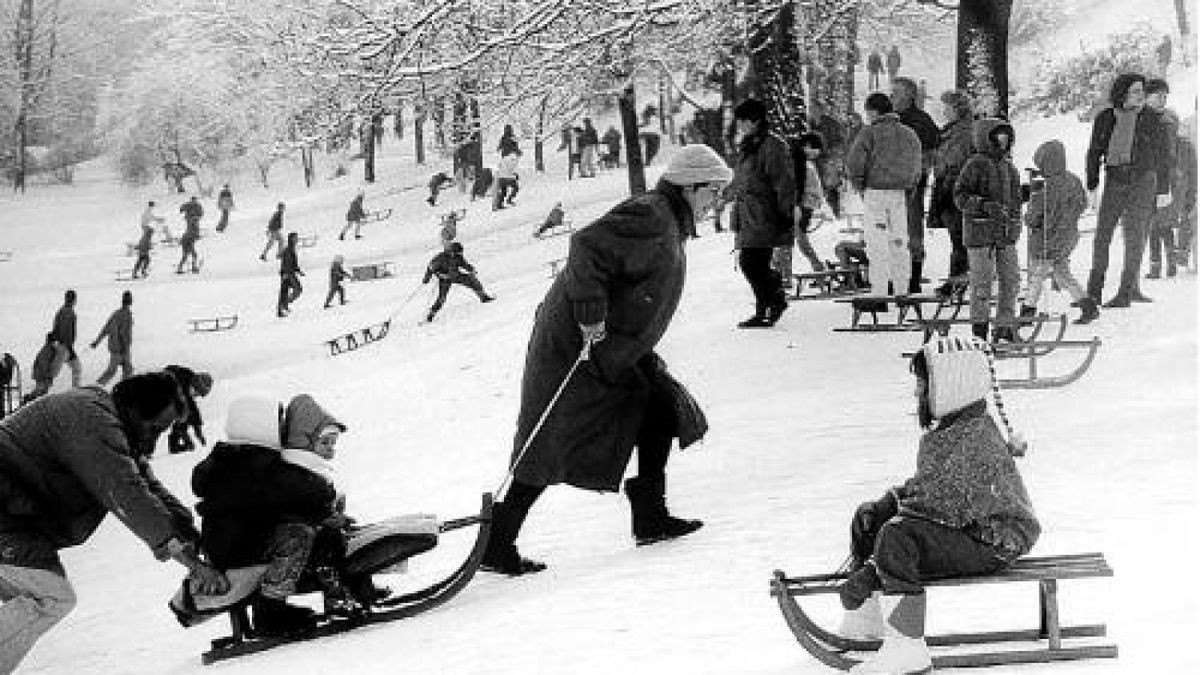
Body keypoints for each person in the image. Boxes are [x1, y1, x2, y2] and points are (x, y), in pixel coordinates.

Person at [481, 144, 731, 577]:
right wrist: (591, 316)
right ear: (692, 187)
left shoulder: (669, 220)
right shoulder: (652, 215)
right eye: (714, 192)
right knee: (552, 435)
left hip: (615, 345)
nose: (716, 202)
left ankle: (650, 515)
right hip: (577, 342)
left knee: (661, 408)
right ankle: (497, 543)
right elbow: (587, 248)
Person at [834, 336, 1038, 674]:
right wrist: (887, 503)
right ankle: (868, 620)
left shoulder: (973, 438)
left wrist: (871, 572)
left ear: (949, 387)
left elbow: (942, 508)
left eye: (923, 385)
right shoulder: (956, 427)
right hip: (970, 529)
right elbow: (933, 489)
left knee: (897, 536)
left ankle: (907, 646)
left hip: (991, 541)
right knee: (874, 518)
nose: (917, 393)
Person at [0, 373, 230, 673]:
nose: (155, 438)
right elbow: (128, 495)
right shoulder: (89, 421)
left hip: (13, 516)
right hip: (7, 514)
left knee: (42, 594)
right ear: (137, 410)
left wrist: (192, 534)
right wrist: (193, 564)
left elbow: (148, 487)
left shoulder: (109, 420)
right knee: (49, 596)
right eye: (156, 427)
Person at [189, 393, 374, 634]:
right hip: (240, 547)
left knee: (306, 528)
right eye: (279, 423)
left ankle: (343, 588)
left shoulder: (229, 460)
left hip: (230, 543)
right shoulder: (255, 463)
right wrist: (325, 497)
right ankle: (270, 610)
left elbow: (278, 500)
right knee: (298, 535)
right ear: (260, 426)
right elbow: (299, 489)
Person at [1084, 73, 1173, 308]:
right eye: (1135, 90)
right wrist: (1092, 184)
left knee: (1135, 238)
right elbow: (1094, 151)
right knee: (1103, 235)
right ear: (1122, 92)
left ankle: (1126, 292)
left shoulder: (1152, 119)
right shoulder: (1105, 118)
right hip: (1115, 179)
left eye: (1142, 91)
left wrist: (1164, 189)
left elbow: (1164, 157)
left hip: (1144, 181)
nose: (1141, 95)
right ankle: (1094, 292)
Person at [845, 93, 923, 298]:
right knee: (899, 242)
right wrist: (910, 188)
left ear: (873, 111)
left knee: (876, 244)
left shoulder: (869, 133)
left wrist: (860, 187)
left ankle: (879, 292)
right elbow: (917, 166)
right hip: (900, 194)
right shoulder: (910, 134)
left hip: (875, 193)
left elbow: (855, 164)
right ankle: (902, 290)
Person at [729, 98, 798, 328]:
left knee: (752, 261)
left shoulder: (772, 145)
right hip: (749, 213)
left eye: (743, 120)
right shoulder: (749, 145)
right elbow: (742, 178)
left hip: (765, 212)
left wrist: (785, 212)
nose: (740, 125)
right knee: (751, 261)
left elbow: (783, 181)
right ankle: (765, 306)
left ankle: (772, 300)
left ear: (755, 120)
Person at [954, 118, 1024, 342]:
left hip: (1005, 235)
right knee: (981, 284)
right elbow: (960, 196)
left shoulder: (1009, 167)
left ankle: (1005, 325)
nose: (1003, 142)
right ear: (987, 139)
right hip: (979, 234)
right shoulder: (975, 164)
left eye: (1006, 138)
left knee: (1011, 280)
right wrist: (982, 205)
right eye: (998, 138)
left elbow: (1014, 202)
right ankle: (979, 332)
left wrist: (1016, 221)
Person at [1019, 140, 1099, 324]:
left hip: (1046, 239)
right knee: (1062, 273)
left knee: (1037, 276)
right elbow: (1082, 203)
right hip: (1067, 238)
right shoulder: (1073, 179)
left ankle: (1026, 313)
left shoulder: (1042, 186)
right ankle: (1087, 305)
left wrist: (1030, 219)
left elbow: (1033, 216)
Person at [892, 77, 941, 293]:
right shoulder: (890, 120)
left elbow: (930, 153)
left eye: (897, 92)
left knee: (911, 229)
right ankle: (896, 274)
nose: (892, 96)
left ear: (909, 95)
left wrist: (915, 174)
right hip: (890, 185)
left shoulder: (921, 121)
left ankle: (913, 275)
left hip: (912, 184)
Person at [928, 90, 977, 298]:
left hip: (955, 188)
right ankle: (957, 279)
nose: (944, 110)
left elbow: (954, 160)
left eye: (947, 106)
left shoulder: (963, 132)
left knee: (960, 239)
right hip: (948, 188)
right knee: (957, 238)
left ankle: (957, 281)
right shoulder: (952, 131)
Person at [1143, 79, 1180, 279]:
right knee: (1159, 224)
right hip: (1157, 177)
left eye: (1165, 96)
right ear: (1147, 96)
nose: (1163, 100)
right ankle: (1165, 264)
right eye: (1159, 96)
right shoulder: (1148, 118)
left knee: (1157, 224)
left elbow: (1167, 154)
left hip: (1161, 177)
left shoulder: (1165, 120)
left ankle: (1159, 266)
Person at [421, 242, 495, 323]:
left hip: (456, 275)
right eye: (457, 253)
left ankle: (483, 297)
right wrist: (426, 279)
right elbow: (430, 268)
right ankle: (431, 314)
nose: (459, 254)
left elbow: (464, 264)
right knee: (442, 298)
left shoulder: (458, 257)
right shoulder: (441, 257)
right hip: (445, 279)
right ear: (452, 251)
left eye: (460, 253)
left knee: (472, 280)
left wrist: (471, 269)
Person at [163, 365, 213, 454]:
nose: (196, 396)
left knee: (185, 411)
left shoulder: (187, 386)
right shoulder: (176, 384)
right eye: (197, 393)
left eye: (198, 395)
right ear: (194, 385)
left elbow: (192, 409)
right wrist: (184, 434)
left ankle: (174, 444)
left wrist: (198, 431)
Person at [90, 291, 135, 386]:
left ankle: (99, 386)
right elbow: (123, 333)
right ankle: (97, 386)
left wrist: (97, 342)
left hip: (115, 348)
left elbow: (106, 329)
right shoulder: (127, 315)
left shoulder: (116, 313)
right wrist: (125, 348)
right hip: (121, 349)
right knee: (115, 371)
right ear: (130, 301)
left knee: (126, 370)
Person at [48, 290, 82, 389]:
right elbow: (65, 331)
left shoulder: (62, 310)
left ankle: (75, 392)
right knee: (53, 374)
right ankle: (37, 394)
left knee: (77, 368)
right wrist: (67, 346)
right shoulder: (69, 312)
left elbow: (56, 328)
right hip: (63, 347)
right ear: (74, 300)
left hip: (63, 346)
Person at [22, 334, 58, 404]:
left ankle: (35, 401)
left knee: (43, 389)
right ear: (52, 341)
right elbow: (43, 363)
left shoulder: (50, 349)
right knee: (40, 389)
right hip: (41, 374)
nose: (56, 343)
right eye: (55, 342)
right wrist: (47, 375)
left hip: (41, 373)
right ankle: (28, 400)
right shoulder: (47, 350)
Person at [277, 232, 304, 318]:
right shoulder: (288, 249)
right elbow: (287, 263)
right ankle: (283, 307)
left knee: (285, 291)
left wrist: (298, 271)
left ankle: (283, 307)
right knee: (297, 289)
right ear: (291, 239)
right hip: (288, 273)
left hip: (288, 273)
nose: (297, 239)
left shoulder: (291, 248)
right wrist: (286, 274)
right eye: (296, 238)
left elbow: (293, 263)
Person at [133, 202, 161, 279]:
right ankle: (142, 271)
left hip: (142, 249)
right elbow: (145, 243)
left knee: (141, 261)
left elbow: (142, 242)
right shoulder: (147, 237)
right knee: (145, 260)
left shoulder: (145, 237)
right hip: (143, 250)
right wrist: (149, 247)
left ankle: (137, 272)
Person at [177, 196, 203, 274]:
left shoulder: (192, 204)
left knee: (186, 255)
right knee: (193, 254)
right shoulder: (195, 205)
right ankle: (193, 267)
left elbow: (182, 207)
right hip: (188, 239)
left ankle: (181, 267)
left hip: (186, 238)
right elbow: (200, 213)